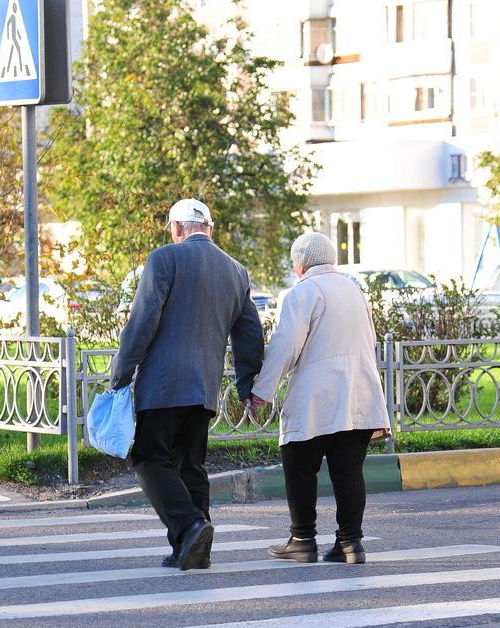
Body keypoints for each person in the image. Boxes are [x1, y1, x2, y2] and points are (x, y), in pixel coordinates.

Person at [111, 198, 264, 570]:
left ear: (178, 228)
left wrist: (122, 371)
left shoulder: (164, 259)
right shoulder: (236, 270)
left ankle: (190, 525)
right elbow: (250, 334)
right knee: (190, 465)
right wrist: (247, 385)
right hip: (205, 387)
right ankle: (193, 548)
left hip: (163, 385)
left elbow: (143, 320)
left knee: (149, 458)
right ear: (209, 228)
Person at [248, 232, 391, 565]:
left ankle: (302, 540)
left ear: (300, 264)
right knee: (348, 470)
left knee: (298, 462)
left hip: (318, 395)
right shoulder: (354, 290)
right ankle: (351, 544)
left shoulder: (304, 291)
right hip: (360, 391)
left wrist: (262, 391)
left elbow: (286, 344)